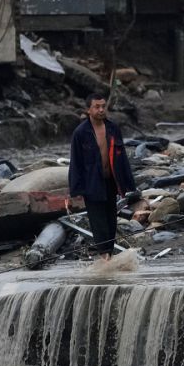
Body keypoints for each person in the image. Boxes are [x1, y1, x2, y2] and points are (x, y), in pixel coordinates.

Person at [67, 95, 137, 260]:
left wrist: (128, 183)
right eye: (97, 107)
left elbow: (122, 158)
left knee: (111, 219)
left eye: (103, 106)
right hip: (92, 183)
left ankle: (109, 254)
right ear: (88, 110)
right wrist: (75, 189)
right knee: (98, 221)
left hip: (111, 181)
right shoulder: (80, 133)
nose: (101, 110)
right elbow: (75, 162)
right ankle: (104, 256)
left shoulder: (113, 129)